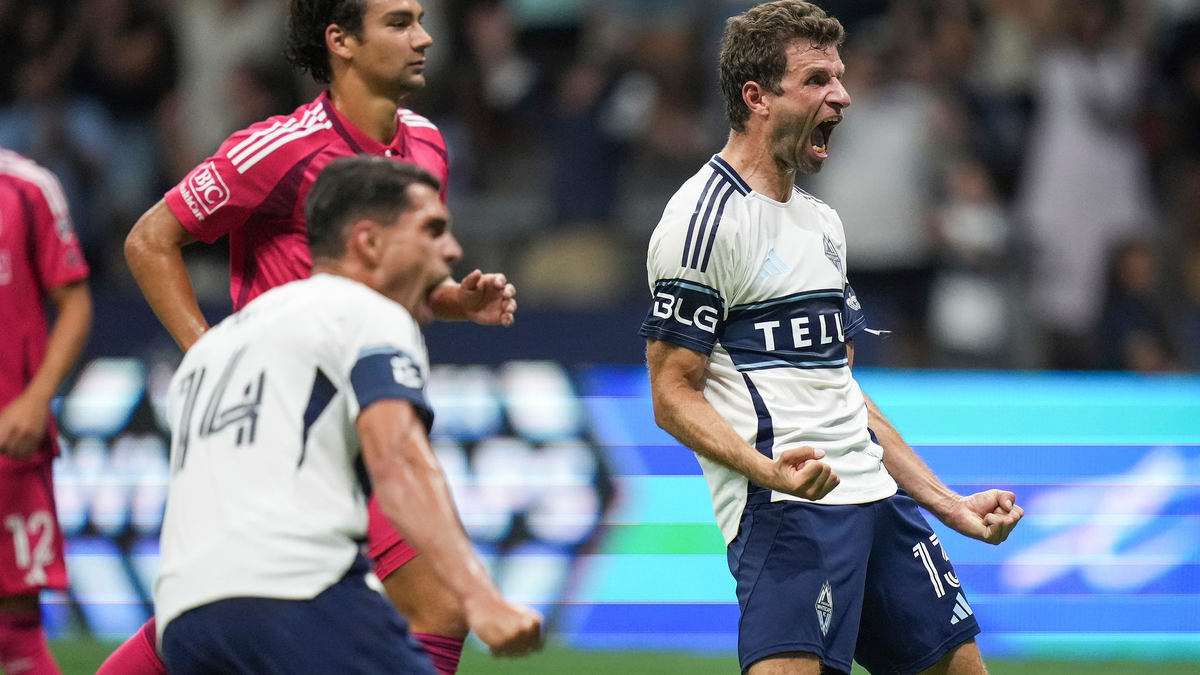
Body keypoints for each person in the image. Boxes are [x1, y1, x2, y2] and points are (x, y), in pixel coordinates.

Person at [108, 2, 515, 673]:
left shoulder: (425, 143)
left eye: (418, 18)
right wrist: (210, 352)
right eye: (399, 22)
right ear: (341, 42)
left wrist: (451, 299)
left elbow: (392, 284)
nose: (425, 37)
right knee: (432, 598)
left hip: (360, 416)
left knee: (233, 598)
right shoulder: (276, 149)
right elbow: (150, 240)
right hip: (292, 425)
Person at [640, 3, 1024, 674]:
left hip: (878, 503)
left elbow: (841, 389)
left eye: (839, 77)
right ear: (757, 97)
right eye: (818, 79)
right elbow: (672, 393)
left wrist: (948, 502)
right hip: (787, 516)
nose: (842, 95)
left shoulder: (821, 221)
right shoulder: (703, 223)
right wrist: (765, 470)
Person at [154, 156, 542, 674]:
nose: (451, 250)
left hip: (185, 621)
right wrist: (481, 597)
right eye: (432, 230)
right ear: (369, 242)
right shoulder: (367, 312)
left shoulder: (215, 348)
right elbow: (400, 461)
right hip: (296, 594)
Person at [0, 149, 92, 675]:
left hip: (10, 442)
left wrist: (37, 399)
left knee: (16, 633)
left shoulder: (28, 187)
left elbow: (76, 302)